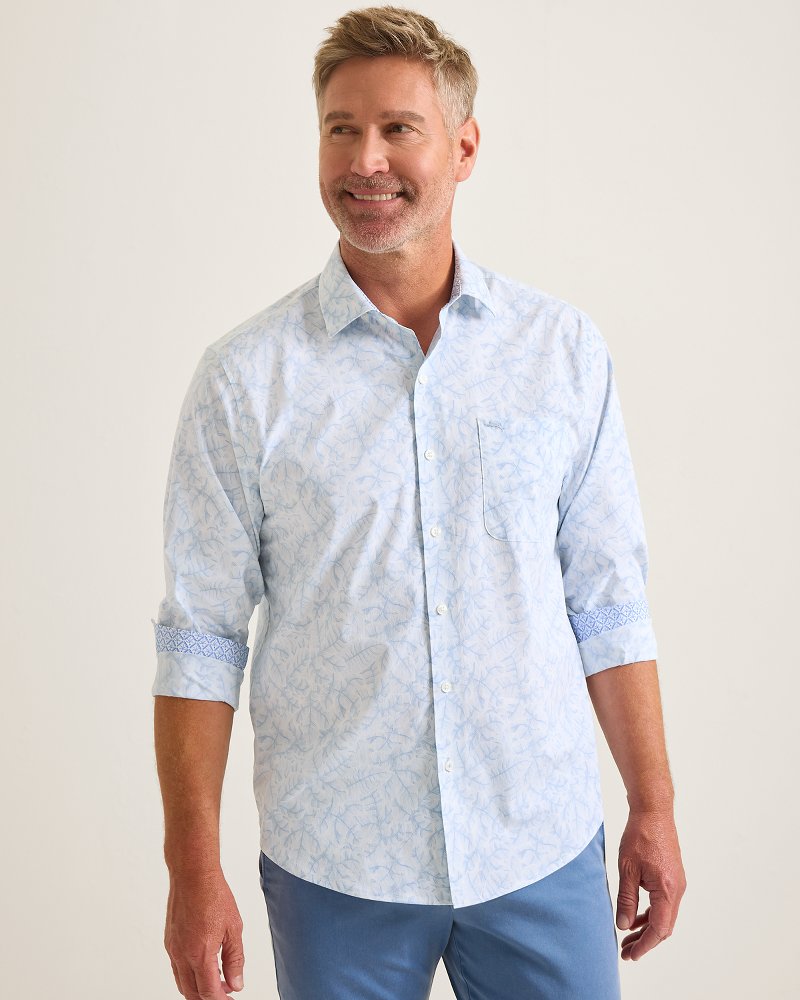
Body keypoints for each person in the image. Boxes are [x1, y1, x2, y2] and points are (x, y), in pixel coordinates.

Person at [151, 6, 686, 999]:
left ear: (463, 147)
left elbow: (607, 600)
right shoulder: (244, 381)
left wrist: (652, 805)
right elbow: (201, 640)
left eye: (398, 128)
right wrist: (192, 870)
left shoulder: (561, 353)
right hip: (336, 865)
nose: (366, 160)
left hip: (538, 842)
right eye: (340, 129)